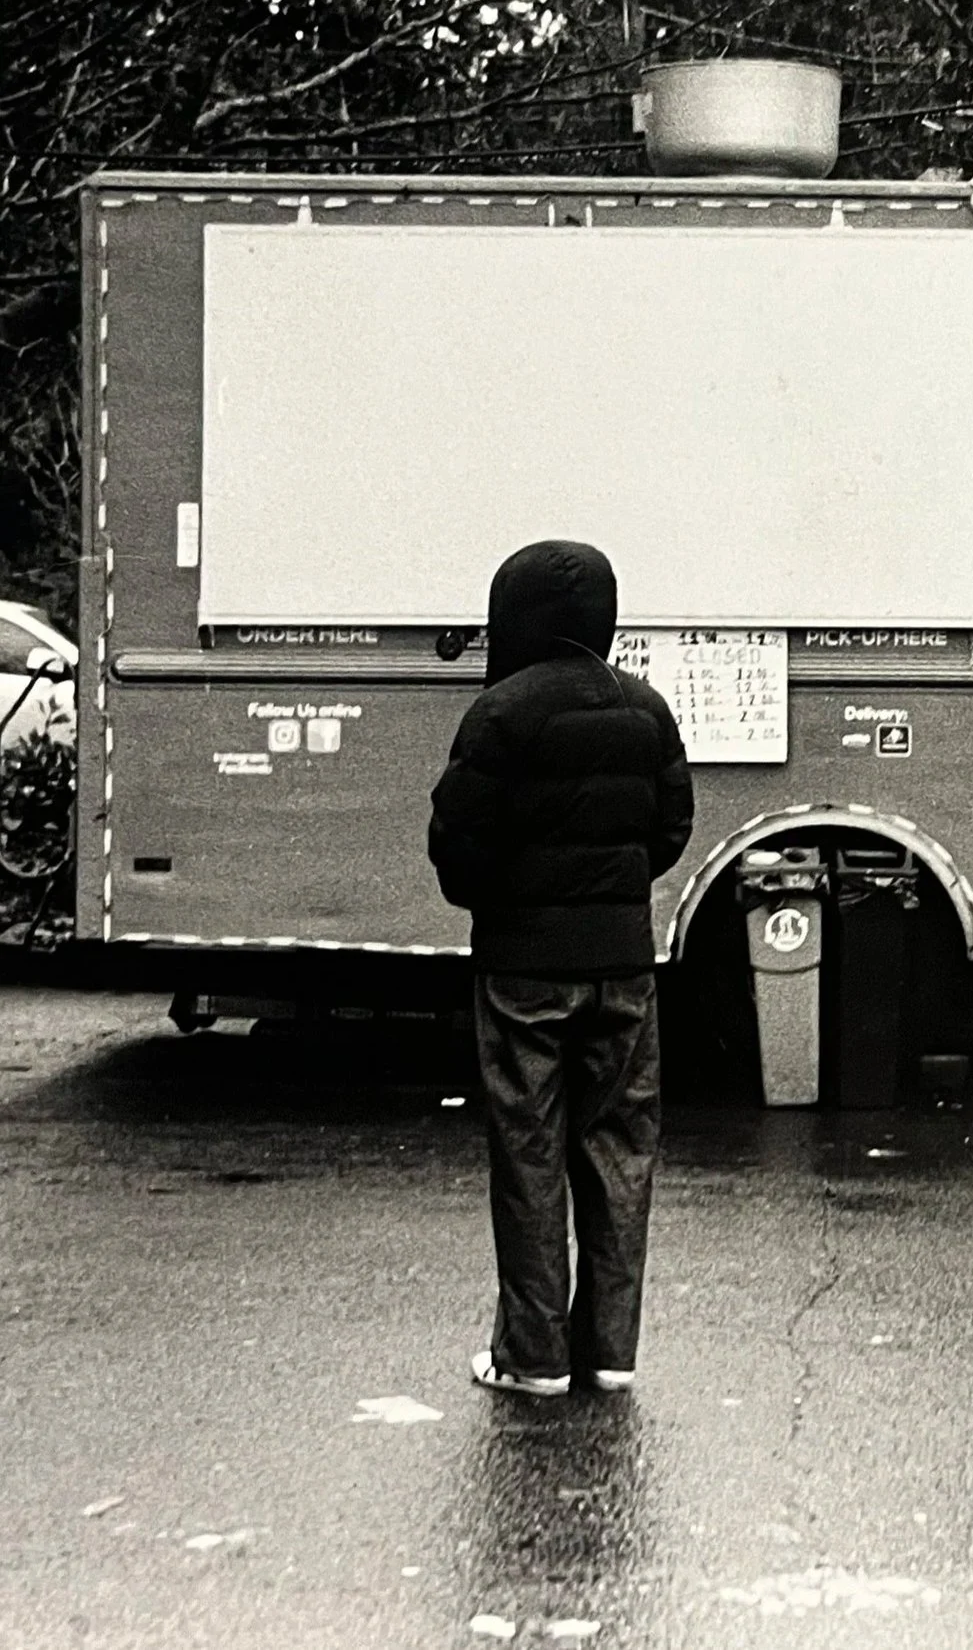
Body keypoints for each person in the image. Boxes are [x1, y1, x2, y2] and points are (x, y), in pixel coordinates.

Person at [429, 540, 694, 1397]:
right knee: (620, 1153)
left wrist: (511, 900)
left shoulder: (501, 713)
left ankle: (532, 1357)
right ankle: (610, 1352)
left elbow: (457, 845)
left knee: (530, 1154)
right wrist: (610, 892)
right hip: (624, 968)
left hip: (522, 972)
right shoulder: (646, 707)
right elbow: (669, 830)